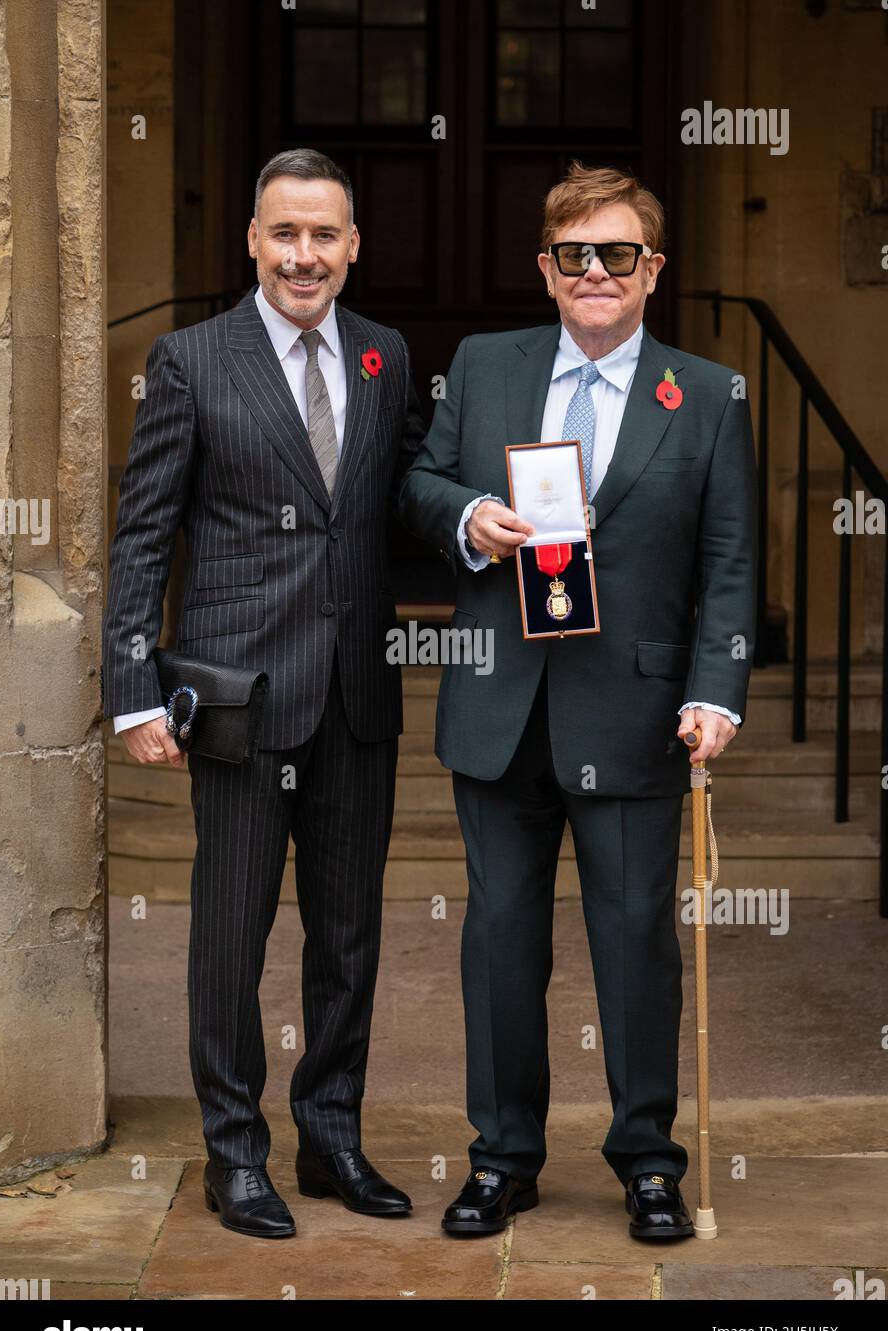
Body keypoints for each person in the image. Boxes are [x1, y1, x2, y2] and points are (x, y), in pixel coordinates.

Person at [397, 163, 757, 1239]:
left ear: (652, 269)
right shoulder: (480, 363)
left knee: (635, 939)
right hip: (499, 707)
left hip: (637, 714)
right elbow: (415, 481)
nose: (591, 272)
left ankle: (646, 1159)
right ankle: (502, 1157)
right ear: (544, 269)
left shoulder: (704, 393)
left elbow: (730, 558)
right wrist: (469, 517)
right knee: (500, 940)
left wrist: (715, 691)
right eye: (571, 255)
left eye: (614, 254)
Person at [102, 148, 424, 1239]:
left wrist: (488, 525)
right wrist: (133, 689)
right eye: (283, 233)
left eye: (323, 235)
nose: (303, 255)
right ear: (251, 239)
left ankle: (330, 1133)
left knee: (346, 938)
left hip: (355, 700)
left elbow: (405, 498)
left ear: (351, 247)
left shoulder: (383, 357)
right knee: (229, 940)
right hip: (238, 699)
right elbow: (142, 535)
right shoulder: (192, 360)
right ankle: (234, 1153)